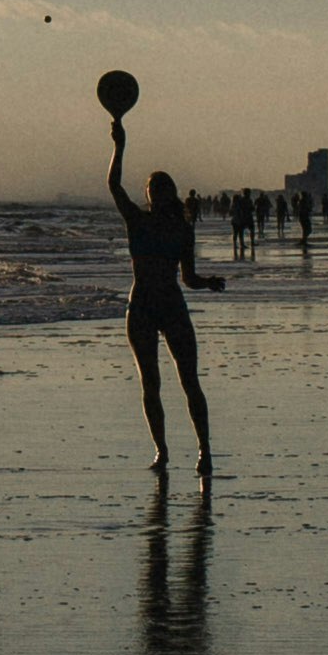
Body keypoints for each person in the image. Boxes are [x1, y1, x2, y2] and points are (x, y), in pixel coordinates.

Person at [110, 140, 217, 473]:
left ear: (172, 193)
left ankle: (205, 451)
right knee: (150, 383)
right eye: (153, 188)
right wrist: (120, 146)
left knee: (189, 380)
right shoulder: (136, 220)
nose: (157, 192)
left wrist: (208, 282)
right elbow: (113, 185)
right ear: (148, 195)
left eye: (163, 187)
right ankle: (161, 451)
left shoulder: (182, 230)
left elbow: (188, 277)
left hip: (171, 304)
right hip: (140, 306)